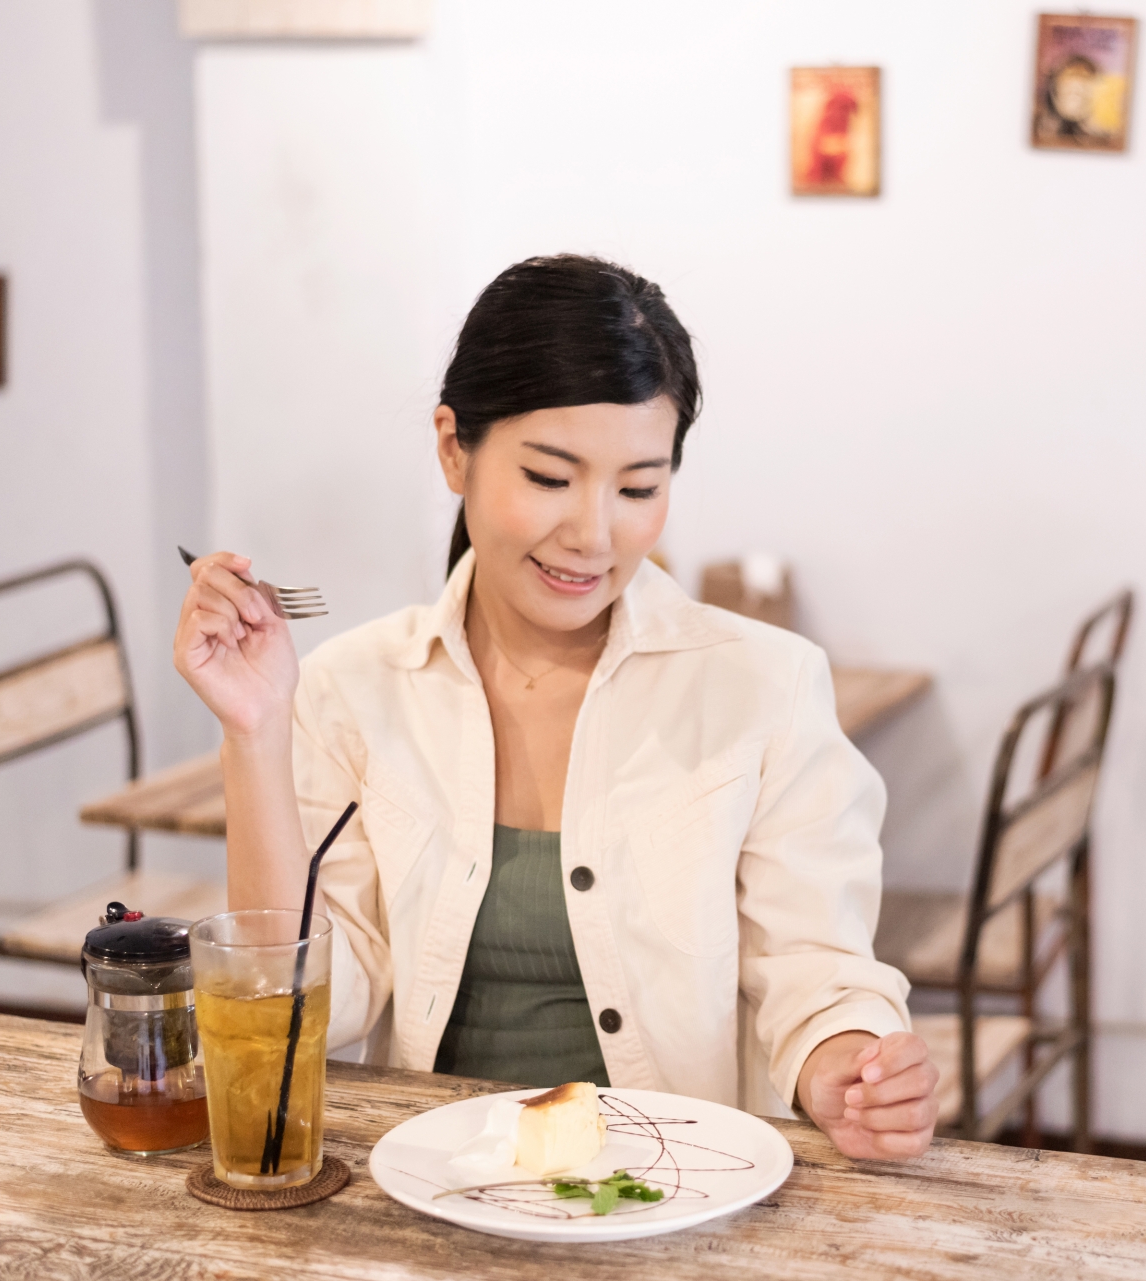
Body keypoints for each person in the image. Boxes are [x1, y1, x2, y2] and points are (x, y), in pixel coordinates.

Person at [173, 254, 939, 1159]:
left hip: (672, 1191)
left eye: (638, 487)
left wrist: (847, 1066)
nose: (594, 533)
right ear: (453, 448)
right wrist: (255, 731)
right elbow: (302, 1013)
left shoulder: (766, 687)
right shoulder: (351, 689)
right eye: (549, 477)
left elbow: (816, 968)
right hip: (436, 1185)